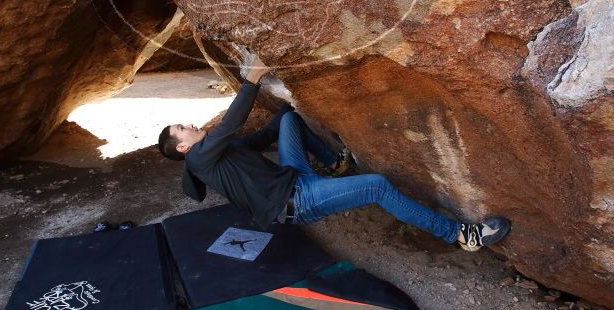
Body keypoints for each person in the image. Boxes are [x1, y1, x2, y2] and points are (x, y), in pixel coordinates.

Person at [157, 54, 510, 251]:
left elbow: (263, 135)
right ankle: (461, 235)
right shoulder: (200, 159)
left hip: (294, 175)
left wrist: (286, 106)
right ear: (183, 147)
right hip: (298, 201)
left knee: (288, 119)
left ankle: (334, 162)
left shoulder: (217, 150)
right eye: (180, 128)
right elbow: (231, 125)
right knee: (376, 185)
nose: (187, 123)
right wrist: (252, 80)